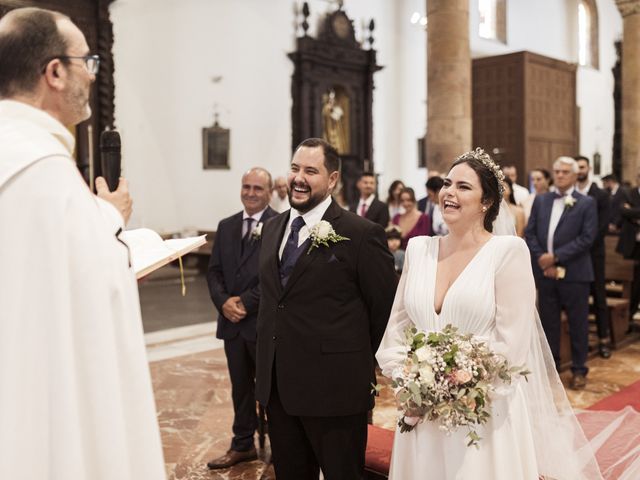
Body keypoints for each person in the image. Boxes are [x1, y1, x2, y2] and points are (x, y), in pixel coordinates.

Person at [0, 7, 165, 479]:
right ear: (54, 72)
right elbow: (90, 290)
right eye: (85, 63)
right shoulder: (43, 173)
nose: (91, 77)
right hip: (41, 419)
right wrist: (112, 218)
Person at [376, 148, 602, 479]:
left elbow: (512, 345)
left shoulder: (507, 252)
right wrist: (410, 385)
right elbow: (396, 330)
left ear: (486, 202)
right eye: (447, 183)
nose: (450, 192)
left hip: (481, 412)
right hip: (419, 411)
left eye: (464, 187)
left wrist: (447, 385)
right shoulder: (419, 249)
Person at [255, 138, 397, 480]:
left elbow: (386, 310)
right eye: (294, 168)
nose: (298, 178)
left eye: (310, 171)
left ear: (332, 179)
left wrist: (379, 372)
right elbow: (275, 302)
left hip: (335, 391)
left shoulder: (362, 234)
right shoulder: (273, 227)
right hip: (279, 389)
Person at [205, 168, 277, 469]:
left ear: (269, 192)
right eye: (246, 186)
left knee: (273, 389)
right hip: (232, 325)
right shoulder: (227, 226)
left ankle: (283, 445)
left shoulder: (279, 225)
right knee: (241, 387)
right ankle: (243, 443)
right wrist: (223, 303)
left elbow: (278, 276)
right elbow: (215, 272)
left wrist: (246, 303)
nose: (250, 192)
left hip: (262, 323)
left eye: (258, 188)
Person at [525, 156, 597, 389]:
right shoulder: (542, 200)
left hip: (575, 274)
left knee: (578, 324)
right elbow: (531, 233)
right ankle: (551, 368)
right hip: (545, 273)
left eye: (565, 172)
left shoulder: (586, 203)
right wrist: (543, 261)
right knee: (549, 324)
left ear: (575, 175)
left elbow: (587, 238)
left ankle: (579, 369)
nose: (560, 175)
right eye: (556, 171)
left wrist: (556, 257)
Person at [576, 155, 612, 358]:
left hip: (593, 254)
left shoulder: (600, 194)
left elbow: (602, 226)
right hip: (573, 256)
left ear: (588, 168)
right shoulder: (569, 194)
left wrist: (583, 244)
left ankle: (603, 339)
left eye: (583, 167)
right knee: (577, 299)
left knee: (599, 297)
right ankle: (579, 341)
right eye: (577, 167)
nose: (580, 170)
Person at [616, 167, 640, 329]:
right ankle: (629, 316)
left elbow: (630, 212)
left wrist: (633, 212)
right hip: (633, 245)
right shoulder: (628, 193)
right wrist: (630, 213)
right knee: (634, 282)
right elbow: (623, 212)